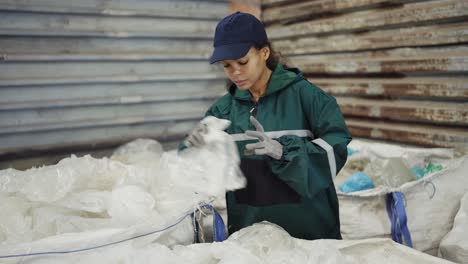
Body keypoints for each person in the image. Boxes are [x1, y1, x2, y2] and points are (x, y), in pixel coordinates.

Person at [181, 11, 352, 240]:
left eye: (243, 62)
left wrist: (285, 152)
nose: (236, 72)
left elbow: (337, 147)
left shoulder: (308, 98)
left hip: (311, 236)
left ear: (264, 53)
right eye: (227, 65)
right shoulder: (222, 111)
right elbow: (194, 167)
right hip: (250, 238)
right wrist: (193, 152)